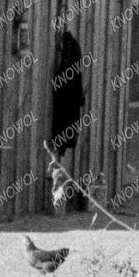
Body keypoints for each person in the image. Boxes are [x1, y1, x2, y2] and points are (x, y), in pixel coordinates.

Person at [48, 14, 88, 212]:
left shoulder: (70, 62)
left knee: (62, 143)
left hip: (66, 110)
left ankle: (62, 192)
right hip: (67, 110)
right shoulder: (74, 59)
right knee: (61, 145)